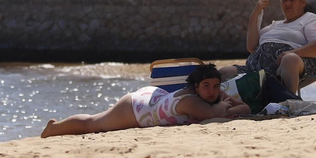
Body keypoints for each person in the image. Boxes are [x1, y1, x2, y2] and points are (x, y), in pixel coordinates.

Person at [40, 64, 249, 137]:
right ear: (196, 87)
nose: (212, 91)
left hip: (155, 98)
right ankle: (54, 128)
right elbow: (216, 113)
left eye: (215, 86)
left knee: (96, 122)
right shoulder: (193, 102)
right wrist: (224, 104)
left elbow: (245, 109)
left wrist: (226, 104)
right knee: (95, 124)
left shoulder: (209, 97)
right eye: (206, 86)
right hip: (137, 108)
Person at [234, 0, 316, 99]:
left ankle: (287, 102)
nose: (287, 4)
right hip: (258, 69)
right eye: (284, 0)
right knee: (226, 72)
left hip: (296, 64)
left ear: (303, 2)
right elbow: (252, 47)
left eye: (292, 0)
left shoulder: (309, 19)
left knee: (290, 59)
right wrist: (255, 13)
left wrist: (292, 53)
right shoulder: (275, 25)